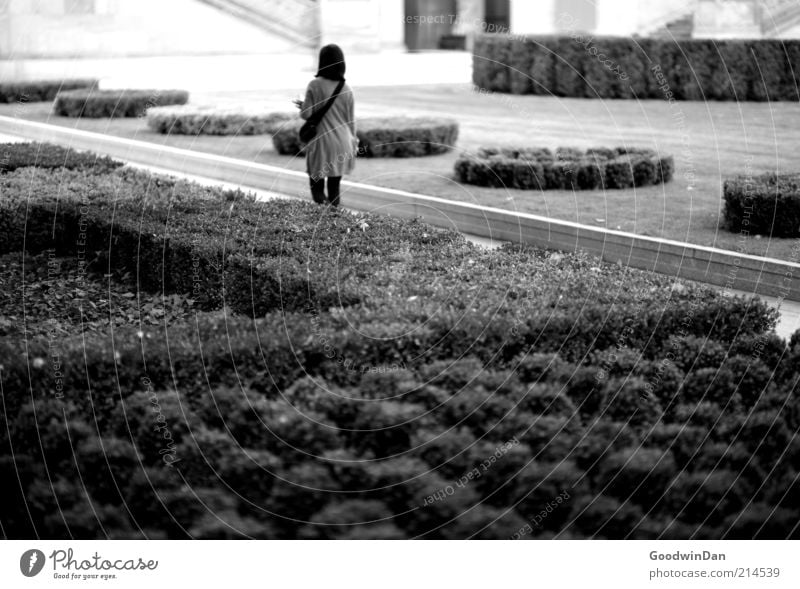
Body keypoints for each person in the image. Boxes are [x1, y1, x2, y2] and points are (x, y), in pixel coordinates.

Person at [293, 44, 357, 207]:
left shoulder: (315, 85)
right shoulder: (347, 89)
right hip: (344, 143)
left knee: (317, 190)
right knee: (334, 189)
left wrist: (302, 105)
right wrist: (354, 142)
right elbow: (351, 121)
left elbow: (307, 114)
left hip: (321, 142)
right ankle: (334, 220)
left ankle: (328, 217)